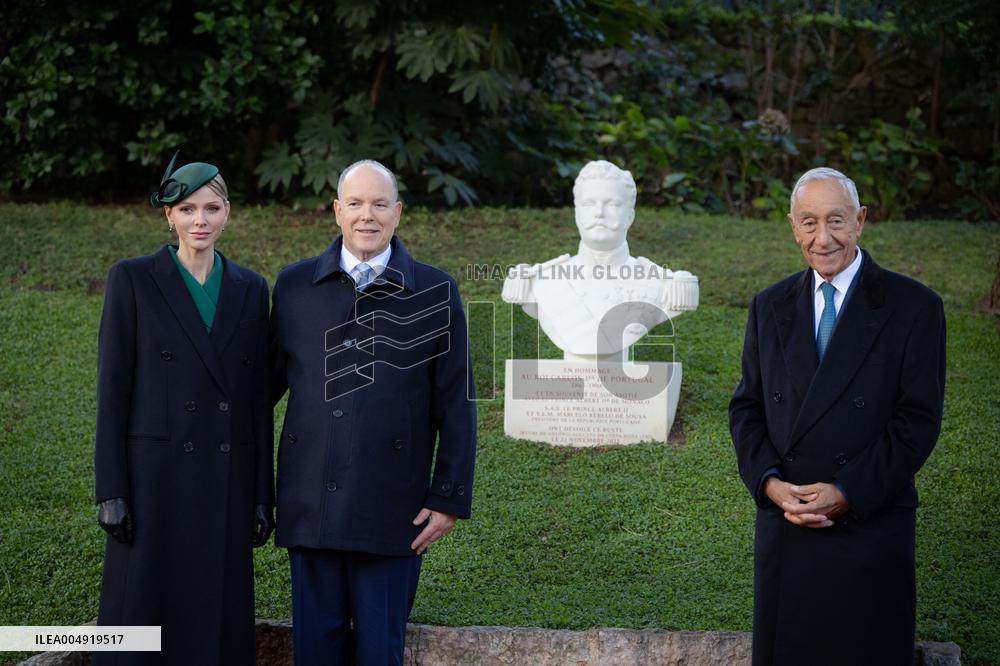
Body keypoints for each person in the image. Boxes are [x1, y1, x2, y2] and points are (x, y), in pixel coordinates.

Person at [729, 167, 946, 665]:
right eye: (808, 222)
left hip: (871, 523)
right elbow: (747, 408)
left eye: (836, 221)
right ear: (792, 226)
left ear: (861, 221)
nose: (822, 238)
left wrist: (848, 492)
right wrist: (768, 482)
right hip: (788, 524)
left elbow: (917, 420)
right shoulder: (769, 305)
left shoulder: (914, 307)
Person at [269, 159, 476, 665]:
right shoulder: (294, 287)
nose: (368, 215)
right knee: (316, 650)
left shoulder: (435, 290)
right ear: (337, 212)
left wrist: (448, 496)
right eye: (356, 204)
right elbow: (260, 392)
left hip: (393, 507)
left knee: (380, 653)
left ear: (398, 213)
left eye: (380, 204)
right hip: (309, 502)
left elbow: (457, 402)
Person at [94, 152, 275, 665]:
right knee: (142, 613)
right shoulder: (131, 279)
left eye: (212, 208)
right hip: (154, 480)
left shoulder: (250, 288)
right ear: (169, 215)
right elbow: (113, 391)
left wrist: (262, 494)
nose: (201, 220)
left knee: (215, 620)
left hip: (226, 477)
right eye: (188, 209)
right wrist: (111, 490)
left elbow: (255, 400)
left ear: (228, 213)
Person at [501, 159, 698, 361]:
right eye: (589, 204)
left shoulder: (661, 284)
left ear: (630, 215)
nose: (599, 213)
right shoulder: (541, 282)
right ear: (577, 214)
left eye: (612, 203)